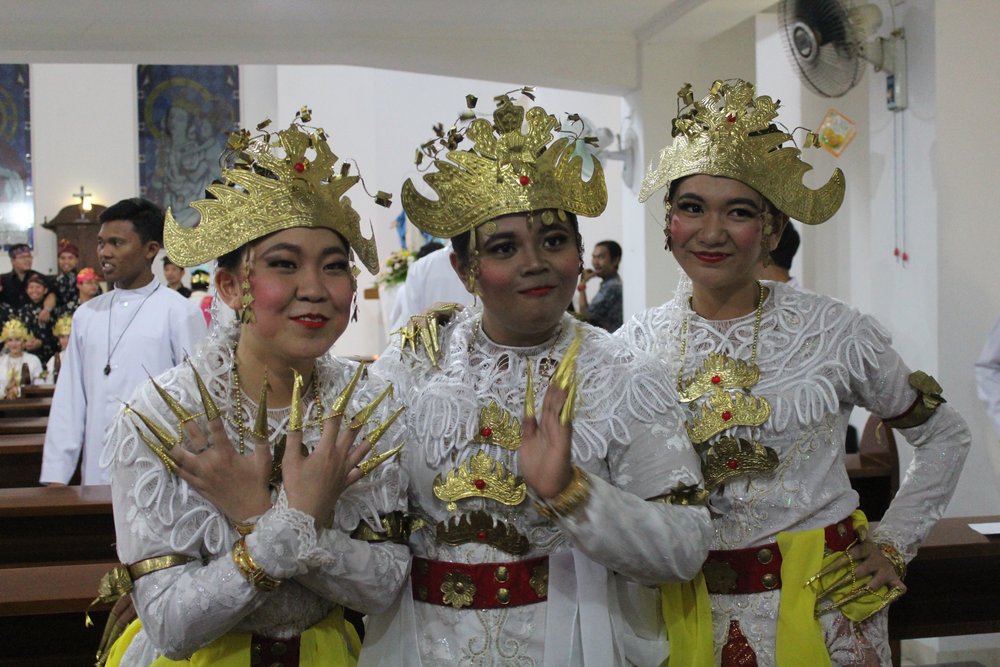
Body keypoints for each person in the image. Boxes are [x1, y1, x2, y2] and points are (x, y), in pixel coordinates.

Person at [618, 79, 971, 666]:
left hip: (825, 608)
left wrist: (894, 542)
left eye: (739, 212)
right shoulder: (631, 348)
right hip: (683, 612)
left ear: (774, 230)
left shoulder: (835, 332)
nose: (711, 232)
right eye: (691, 208)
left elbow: (945, 434)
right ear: (668, 223)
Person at [363, 92, 711, 666]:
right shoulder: (416, 366)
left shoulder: (625, 375)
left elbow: (684, 546)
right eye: (504, 248)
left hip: (572, 646)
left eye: (554, 241)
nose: (535, 263)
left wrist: (571, 493)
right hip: (423, 648)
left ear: (579, 252)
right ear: (464, 269)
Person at [98, 109, 409, 667]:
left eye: (333, 266)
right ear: (229, 286)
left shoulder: (367, 405)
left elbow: (385, 586)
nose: (314, 288)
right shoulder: (165, 415)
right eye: (284, 265)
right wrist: (290, 524)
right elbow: (170, 625)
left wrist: (257, 517)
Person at [39, 197, 207, 486]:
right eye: (101, 243)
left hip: (161, 474)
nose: (104, 253)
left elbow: (198, 401)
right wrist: (57, 475)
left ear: (150, 249)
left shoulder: (180, 313)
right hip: (98, 470)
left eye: (116, 243)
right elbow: (69, 400)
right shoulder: (86, 315)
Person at [387, 241, 474, 332]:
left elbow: (411, 322)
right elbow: (412, 320)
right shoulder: (419, 268)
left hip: (432, 337)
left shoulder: (420, 267)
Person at [577, 239, 623, 331]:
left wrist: (582, 284)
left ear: (615, 260)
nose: (595, 262)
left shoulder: (612, 287)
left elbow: (585, 317)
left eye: (600, 257)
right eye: (594, 257)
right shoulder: (612, 283)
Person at [1, 243, 56, 317]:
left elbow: (52, 294)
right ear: (12, 261)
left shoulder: (40, 278)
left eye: (29, 256)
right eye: (22, 257)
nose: (27, 260)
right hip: (10, 321)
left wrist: (47, 309)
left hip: (36, 319)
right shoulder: (3, 280)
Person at [18, 271, 58, 365]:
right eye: (31, 287)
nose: (34, 290)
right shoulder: (22, 311)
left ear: (45, 290)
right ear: (27, 290)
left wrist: (41, 342)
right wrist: (24, 343)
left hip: (49, 357)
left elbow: (59, 336)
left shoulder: (54, 311)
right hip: (28, 358)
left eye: (38, 287)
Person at [0, 318, 43, 396]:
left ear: (23, 341)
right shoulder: (1, 361)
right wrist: (6, 390)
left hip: (29, 402)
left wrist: (18, 391)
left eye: (17, 340)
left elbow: (40, 386)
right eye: (10, 340)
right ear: (6, 342)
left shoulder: (33, 360)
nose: (14, 344)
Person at [42, 313, 72, 384]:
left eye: (69, 336)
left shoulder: (85, 356)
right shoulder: (54, 360)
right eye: (62, 337)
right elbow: (49, 384)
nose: (66, 340)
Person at [54, 238, 80, 311]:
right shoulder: (54, 282)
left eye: (70, 258)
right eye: (62, 258)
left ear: (76, 260)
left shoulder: (85, 279)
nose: (66, 262)